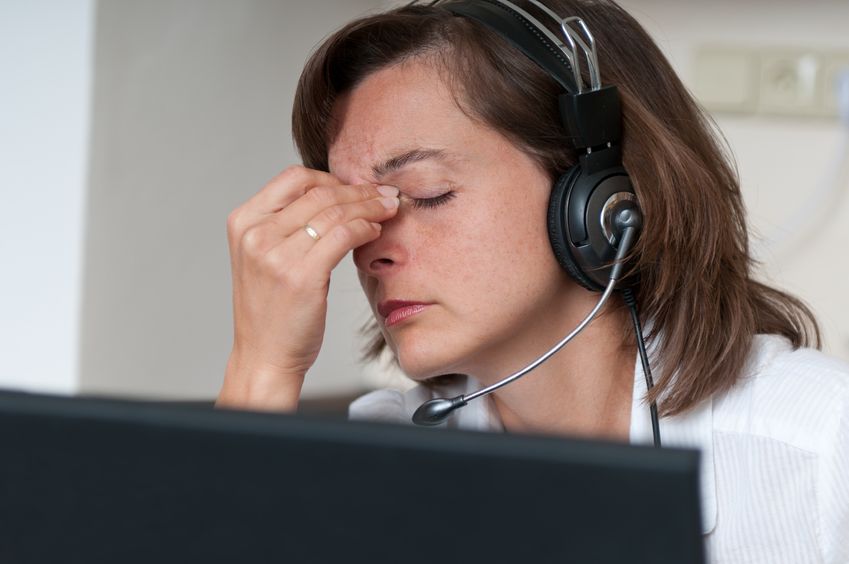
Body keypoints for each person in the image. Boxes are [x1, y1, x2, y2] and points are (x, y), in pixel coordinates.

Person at [215, 0, 849, 561]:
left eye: (427, 194)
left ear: (600, 202)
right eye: (354, 212)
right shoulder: (385, 456)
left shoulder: (823, 444)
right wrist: (262, 366)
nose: (369, 251)